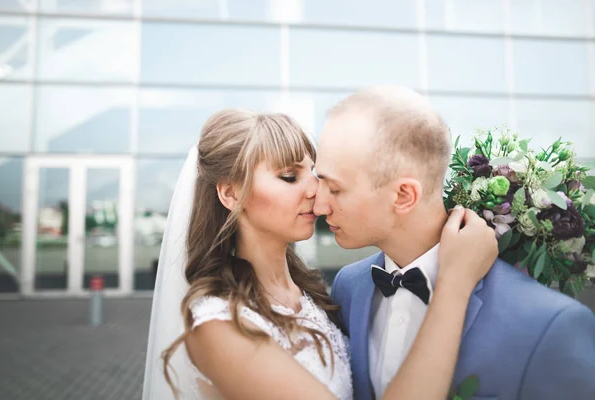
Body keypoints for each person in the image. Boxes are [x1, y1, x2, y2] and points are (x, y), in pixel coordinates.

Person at [142, 109, 499, 400]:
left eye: (313, 172)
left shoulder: (320, 291)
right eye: (288, 176)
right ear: (231, 195)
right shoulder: (219, 327)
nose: (315, 189)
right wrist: (455, 282)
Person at [314, 85, 595, 400]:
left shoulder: (551, 325)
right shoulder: (349, 288)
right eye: (319, 181)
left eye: (335, 189)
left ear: (404, 195)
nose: (319, 206)